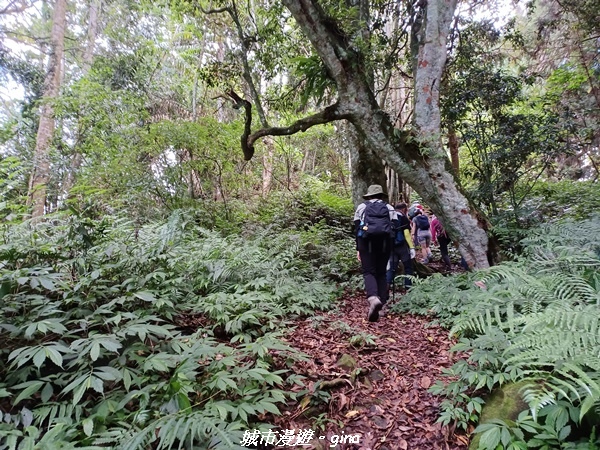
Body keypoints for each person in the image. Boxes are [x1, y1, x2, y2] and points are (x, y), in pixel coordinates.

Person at [354, 184, 398, 322]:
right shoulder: (389, 208)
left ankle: (373, 298)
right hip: (385, 244)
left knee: (368, 271)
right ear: (381, 195)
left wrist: (358, 249)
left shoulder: (362, 207)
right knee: (381, 273)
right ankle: (382, 305)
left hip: (366, 243)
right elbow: (395, 228)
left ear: (369, 195)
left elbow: (357, 229)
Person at [386, 203, 416, 291]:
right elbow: (406, 234)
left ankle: (386, 290)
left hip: (391, 246)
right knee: (408, 267)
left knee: (391, 269)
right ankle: (408, 288)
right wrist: (411, 247)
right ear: (403, 209)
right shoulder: (402, 217)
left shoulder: (387, 217)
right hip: (402, 246)